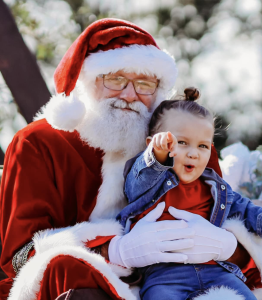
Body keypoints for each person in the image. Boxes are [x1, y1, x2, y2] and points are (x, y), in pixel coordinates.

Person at [0, 19, 247, 300]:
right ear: (89, 81)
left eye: (144, 84)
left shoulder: (186, 142)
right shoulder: (38, 142)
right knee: (64, 265)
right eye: (115, 79)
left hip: (181, 277)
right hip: (89, 282)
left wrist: (226, 244)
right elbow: (19, 256)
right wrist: (114, 250)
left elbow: (234, 222)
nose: (130, 95)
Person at [115, 88, 262, 300]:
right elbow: (137, 182)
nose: (193, 153)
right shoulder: (151, 182)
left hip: (216, 270)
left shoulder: (214, 187)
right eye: (181, 143)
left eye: (202, 146)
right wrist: (156, 155)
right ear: (152, 144)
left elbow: (243, 209)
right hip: (163, 275)